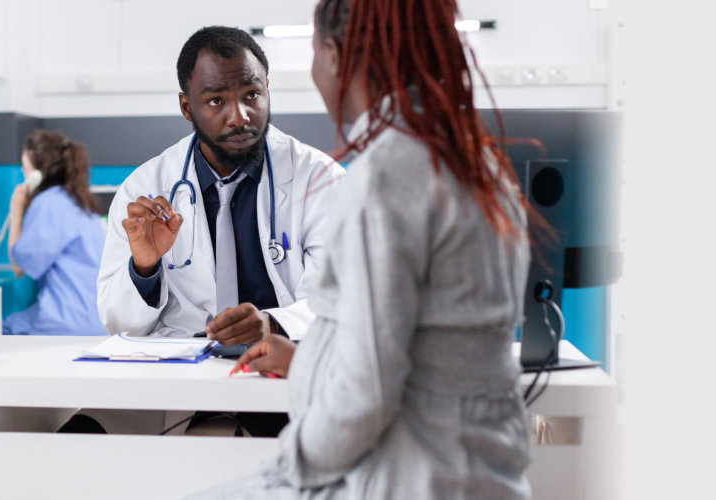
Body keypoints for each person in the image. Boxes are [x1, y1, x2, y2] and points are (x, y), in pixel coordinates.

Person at [193, 0, 544, 497]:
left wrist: (286, 469)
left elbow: (363, 398)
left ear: (335, 56)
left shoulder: (387, 176)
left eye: (314, 51)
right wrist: (308, 359)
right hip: (487, 476)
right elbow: (423, 348)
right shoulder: (478, 164)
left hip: (412, 481)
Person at [97, 26, 345, 346]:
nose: (239, 117)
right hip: (180, 373)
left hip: (285, 365)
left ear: (267, 90)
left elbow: (343, 299)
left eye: (251, 95)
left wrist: (275, 324)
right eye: (216, 100)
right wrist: (144, 268)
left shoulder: (320, 180)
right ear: (187, 107)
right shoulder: (144, 189)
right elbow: (117, 323)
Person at [0, 130, 107, 336]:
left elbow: (19, 267)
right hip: (98, 321)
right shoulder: (81, 203)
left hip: (67, 322)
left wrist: (16, 212)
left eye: (25, 165)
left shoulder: (48, 205)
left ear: (36, 175)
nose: (22, 170)